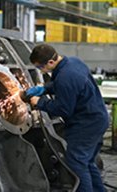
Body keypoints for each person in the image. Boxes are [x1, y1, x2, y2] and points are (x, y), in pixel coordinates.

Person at [25, 44, 109, 192]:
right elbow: (67, 86)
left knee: (76, 163)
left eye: (41, 67)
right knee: (88, 162)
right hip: (98, 118)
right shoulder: (73, 62)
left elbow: (64, 109)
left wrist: (40, 102)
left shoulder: (66, 76)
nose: (41, 70)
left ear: (50, 62)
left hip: (86, 124)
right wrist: (45, 88)